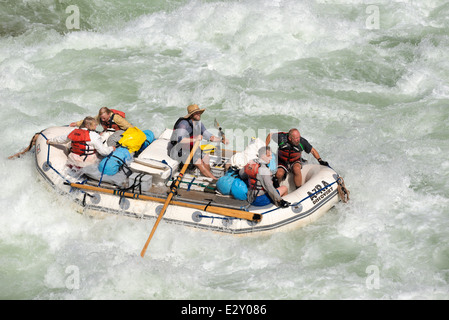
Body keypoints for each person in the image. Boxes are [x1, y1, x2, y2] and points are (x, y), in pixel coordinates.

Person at [168, 104, 229, 180]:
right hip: (177, 150)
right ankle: (214, 180)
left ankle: (207, 177)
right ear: (191, 115)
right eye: (196, 113)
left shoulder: (198, 124)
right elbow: (180, 140)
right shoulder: (183, 124)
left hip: (190, 148)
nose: (199, 114)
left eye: (199, 112)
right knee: (199, 161)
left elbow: (209, 136)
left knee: (206, 157)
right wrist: (195, 139)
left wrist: (221, 140)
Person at [47, 116, 115, 168]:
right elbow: (103, 152)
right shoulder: (94, 136)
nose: (96, 126)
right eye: (94, 124)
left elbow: (61, 139)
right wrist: (112, 148)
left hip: (72, 160)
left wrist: (50, 141)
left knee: (70, 145)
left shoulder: (74, 132)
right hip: (87, 163)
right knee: (102, 153)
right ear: (88, 125)